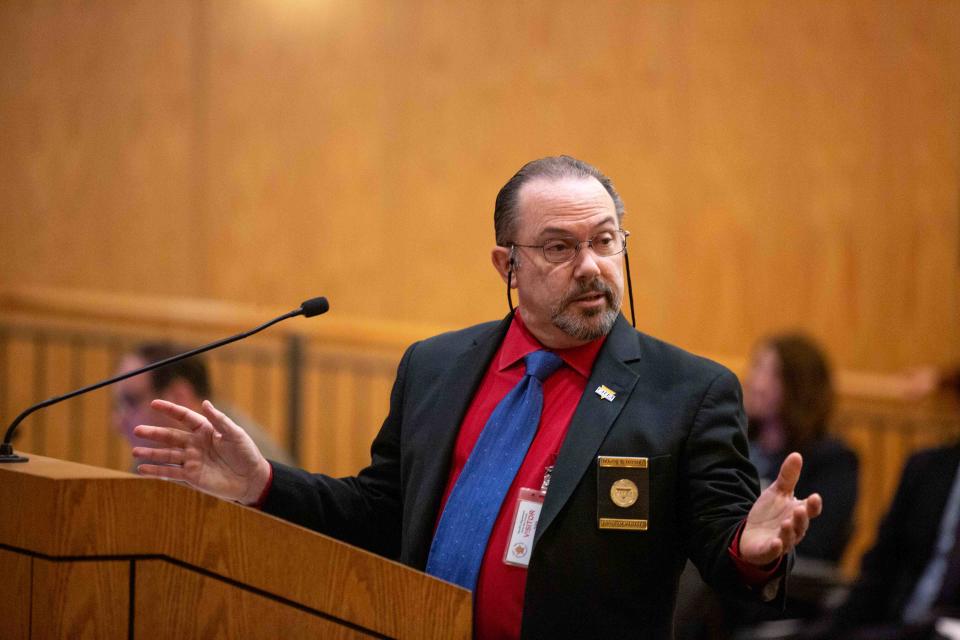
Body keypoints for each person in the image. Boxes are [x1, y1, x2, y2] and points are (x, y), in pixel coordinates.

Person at [131, 156, 822, 639]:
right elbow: (383, 514)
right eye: (559, 246)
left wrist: (754, 548)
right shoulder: (435, 368)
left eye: (606, 241)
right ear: (507, 265)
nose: (591, 266)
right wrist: (264, 484)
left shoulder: (689, 392)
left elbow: (725, 551)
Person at [744, 333, 858, 565]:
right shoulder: (737, 442)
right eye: (757, 367)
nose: (756, 383)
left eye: (773, 374)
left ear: (801, 386)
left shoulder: (831, 459)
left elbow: (818, 547)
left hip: (779, 582)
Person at [113, 342, 293, 468]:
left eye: (131, 401)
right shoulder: (156, 454)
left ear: (178, 396)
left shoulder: (246, 457)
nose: (118, 421)